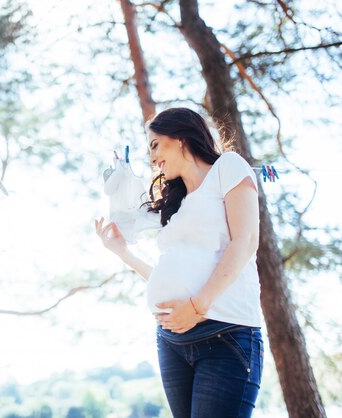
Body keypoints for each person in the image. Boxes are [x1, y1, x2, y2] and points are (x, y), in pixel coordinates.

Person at [95, 108, 263, 418]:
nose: (152, 157)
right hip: (171, 341)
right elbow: (168, 271)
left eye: (155, 144)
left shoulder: (228, 167)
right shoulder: (178, 203)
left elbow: (245, 241)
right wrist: (123, 253)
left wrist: (197, 306)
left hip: (223, 334)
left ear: (181, 138)